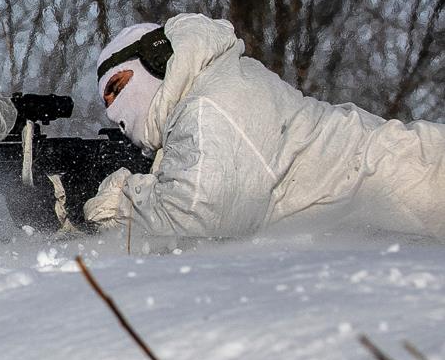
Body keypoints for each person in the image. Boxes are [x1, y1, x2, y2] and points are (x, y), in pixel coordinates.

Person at [83, 13, 445, 240]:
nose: (115, 112)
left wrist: (121, 204)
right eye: (107, 103)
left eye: (118, 87)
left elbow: (195, 213)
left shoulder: (208, 105)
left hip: (421, 184)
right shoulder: (215, 83)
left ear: (156, 59)